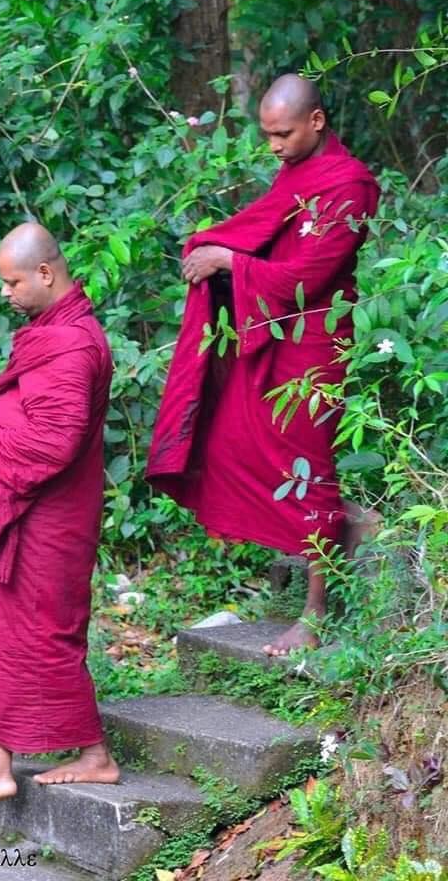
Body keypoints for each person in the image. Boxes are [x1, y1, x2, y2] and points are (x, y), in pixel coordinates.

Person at [146, 74, 381, 657]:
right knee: (235, 440)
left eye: (284, 133)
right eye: (268, 135)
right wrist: (224, 253)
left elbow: (306, 277)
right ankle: (342, 526)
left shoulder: (350, 184)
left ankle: (316, 612)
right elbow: (269, 236)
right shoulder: (297, 170)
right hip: (274, 334)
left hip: (314, 339)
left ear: (317, 122)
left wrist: (225, 256)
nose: (274, 145)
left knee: (309, 462)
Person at [0, 222, 119, 811]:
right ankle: (2, 763)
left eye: (12, 281)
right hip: (30, 513)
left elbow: (53, 444)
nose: (5, 293)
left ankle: (89, 757)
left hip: (47, 515)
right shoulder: (55, 332)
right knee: (20, 631)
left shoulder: (71, 344)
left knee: (45, 632)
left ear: (45, 273)